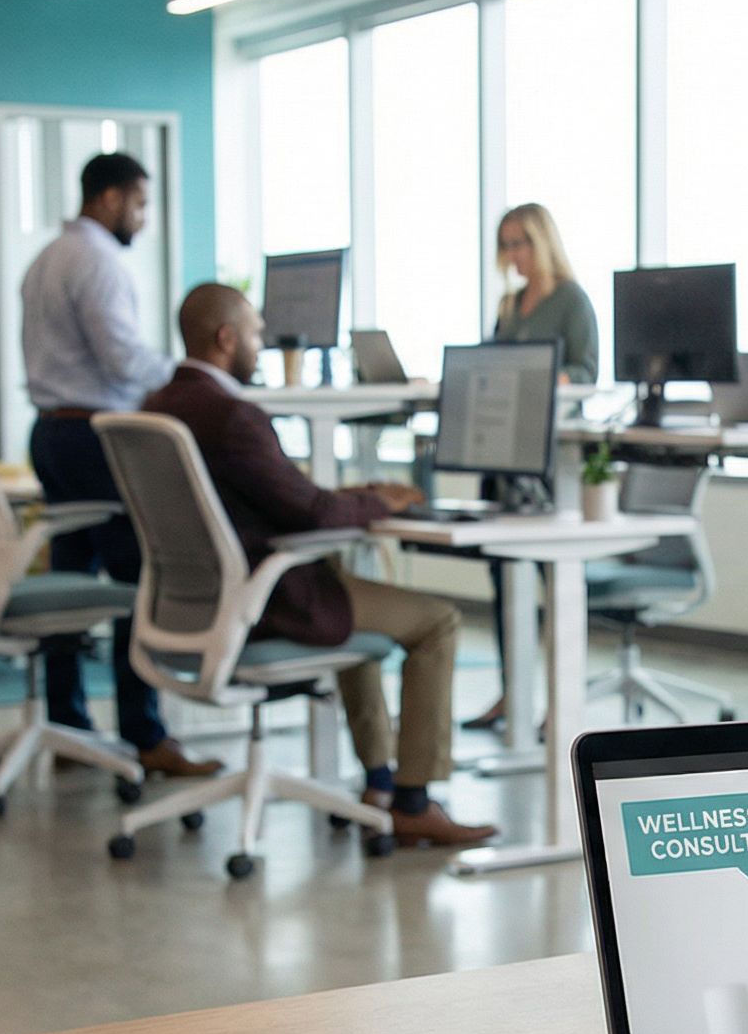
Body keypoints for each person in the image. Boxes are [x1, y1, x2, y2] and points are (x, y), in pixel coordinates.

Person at [139, 284, 498, 848]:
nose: (262, 344)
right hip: (268, 601)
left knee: (358, 600)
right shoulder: (233, 415)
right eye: (256, 332)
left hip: (198, 603)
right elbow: (310, 511)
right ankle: (413, 800)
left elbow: (277, 498)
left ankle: (380, 780)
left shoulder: (157, 406)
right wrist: (382, 500)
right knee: (437, 621)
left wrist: (353, 495)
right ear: (226, 338)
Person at [19, 150, 219, 782]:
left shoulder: (47, 258)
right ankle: (145, 734)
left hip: (52, 433)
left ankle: (67, 721)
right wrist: (188, 373)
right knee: (143, 576)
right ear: (107, 198)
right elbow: (121, 359)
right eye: (139, 202)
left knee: (69, 583)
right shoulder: (99, 262)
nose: (143, 216)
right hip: (96, 438)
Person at [466, 203, 599, 734]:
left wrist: (536, 378)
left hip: (550, 459)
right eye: (505, 244)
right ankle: (511, 693)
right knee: (503, 574)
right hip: (504, 453)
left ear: (542, 241)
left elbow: (584, 371)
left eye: (519, 242)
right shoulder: (509, 304)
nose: (512, 254)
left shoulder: (572, 300)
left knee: (551, 577)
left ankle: (558, 702)